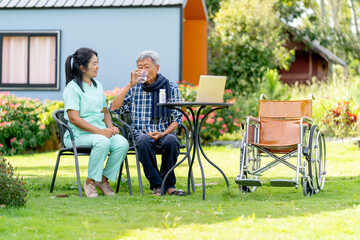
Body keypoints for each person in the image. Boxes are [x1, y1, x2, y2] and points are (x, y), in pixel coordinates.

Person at [110, 50, 185, 196]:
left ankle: (169, 185)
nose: (142, 70)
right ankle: (157, 185)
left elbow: (177, 119)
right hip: (140, 134)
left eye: (146, 66)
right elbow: (114, 108)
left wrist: (162, 133)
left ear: (156, 68)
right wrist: (129, 85)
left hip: (164, 133)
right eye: (140, 67)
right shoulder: (135, 88)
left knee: (171, 141)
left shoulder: (171, 87)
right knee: (144, 141)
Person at [63, 47, 129, 198]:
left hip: (100, 133)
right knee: (102, 142)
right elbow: (74, 118)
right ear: (82, 68)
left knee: (122, 143)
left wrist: (111, 128)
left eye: (97, 63)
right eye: (94, 63)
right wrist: (101, 132)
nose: (98, 66)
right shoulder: (72, 88)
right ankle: (89, 182)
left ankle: (102, 180)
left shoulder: (97, 85)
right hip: (77, 135)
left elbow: (105, 111)